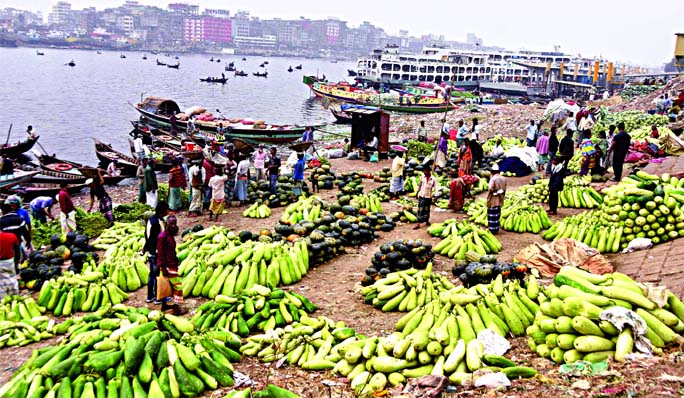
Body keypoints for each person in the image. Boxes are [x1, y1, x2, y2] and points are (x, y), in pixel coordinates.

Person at [157, 215, 185, 315]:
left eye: (175, 224)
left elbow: (171, 250)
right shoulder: (162, 237)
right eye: (171, 224)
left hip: (172, 263)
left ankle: (164, 306)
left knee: (166, 286)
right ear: (166, 224)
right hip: (167, 265)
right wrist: (162, 267)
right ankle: (176, 309)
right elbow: (160, 253)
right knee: (177, 287)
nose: (173, 226)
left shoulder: (170, 235)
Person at [144, 201, 168, 304]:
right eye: (166, 210)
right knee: (157, 275)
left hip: (151, 251)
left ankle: (150, 296)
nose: (168, 212)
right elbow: (155, 240)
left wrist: (145, 247)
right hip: (156, 253)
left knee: (152, 275)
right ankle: (159, 298)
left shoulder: (153, 219)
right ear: (162, 211)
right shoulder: (156, 224)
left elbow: (146, 235)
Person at [486, 164, 507, 234]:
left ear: (492, 172)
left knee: (492, 215)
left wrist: (494, 191)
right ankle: (496, 229)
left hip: (493, 200)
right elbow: (504, 189)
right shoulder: (504, 178)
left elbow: (490, 188)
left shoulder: (493, 179)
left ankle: (492, 230)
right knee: (497, 215)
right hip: (500, 199)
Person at [0, 228, 19, 299]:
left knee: (1, 284)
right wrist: (17, 262)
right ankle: (14, 297)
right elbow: (17, 252)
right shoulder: (11, 236)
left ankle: (3, 301)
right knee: (12, 280)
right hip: (9, 262)